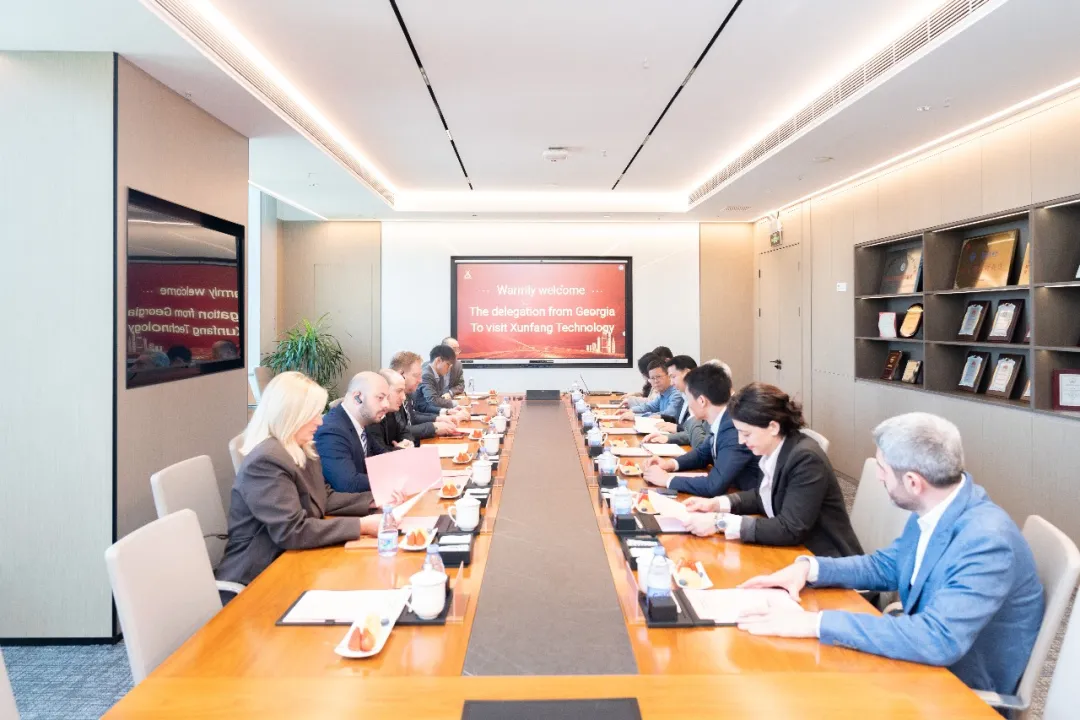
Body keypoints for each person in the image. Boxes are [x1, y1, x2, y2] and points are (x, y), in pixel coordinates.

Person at [735, 412, 1044, 697]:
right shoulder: (941, 504)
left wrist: (814, 623)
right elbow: (890, 564)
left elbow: (937, 639)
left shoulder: (986, 541)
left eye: (882, 469)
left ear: (913, 482)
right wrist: (809, 568)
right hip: (919, 661)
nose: (879, 477)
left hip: (955, 689)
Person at [216, 372, 384, 590]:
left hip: (294, 558)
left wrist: (373, 501)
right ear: (292, 415)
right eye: (314, 414)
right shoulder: (266, 460)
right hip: (260, 574)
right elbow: (292, 531)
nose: (320, 421)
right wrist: (362, 525)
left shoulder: (302, 446)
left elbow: (324, 497)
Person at [681, 382, 861, 559]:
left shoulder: (806, 459)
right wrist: (716, 504)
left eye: (746, 434)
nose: (741, 441)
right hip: (794, 551)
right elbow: (763, 496)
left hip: (825, 559)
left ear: (773, 427)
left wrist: (720, 522)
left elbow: (790, 528)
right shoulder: (774, 449)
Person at [643, 363, 759, 496]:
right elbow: (702, 454)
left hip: (748, 499)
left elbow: (713, 485)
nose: (688, 404)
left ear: (702, 401)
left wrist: (667, 479)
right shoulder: (723, 419)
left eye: (688, 398)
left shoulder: (733, 429)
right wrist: (669, 464)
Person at [313, 371, 391, 493]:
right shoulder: (332, 431)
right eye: (380, 398)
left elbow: (382, 455)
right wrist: (390, 479)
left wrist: (410, 461)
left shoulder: (362, 422)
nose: (387, 405)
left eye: (387, 398)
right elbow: (348, 483)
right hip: (345, 503)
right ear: (357, 397)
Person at [391, 350, 467, 439]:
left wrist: (438, 418)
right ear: (401, 374)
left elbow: (412, 416)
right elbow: (400, 432)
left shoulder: (407, 392)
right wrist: (434, 427)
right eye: (416, 375)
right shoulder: (390, 397)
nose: (420, 381)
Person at [643, 355, 710, 449]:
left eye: (673, 377)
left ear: (687, 373)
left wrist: (674, 431)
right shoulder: (685, 395)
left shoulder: (703, 399)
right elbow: (690, 430)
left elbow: (701, 440)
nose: (671, 382)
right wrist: (668, 436)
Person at [367, 369, 416, 453]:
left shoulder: (391, 411)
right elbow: (379, 452)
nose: (404, 397)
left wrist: (407, 442)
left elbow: (404, 432)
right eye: (399, 391)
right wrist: (399, 448)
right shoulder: (371, 416)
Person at [618, 358, 684, 419]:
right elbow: (650, 406)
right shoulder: (662, 393)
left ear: (668, 376)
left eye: (658, 376)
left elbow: (668, 415)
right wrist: (631, 410)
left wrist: (636, 416)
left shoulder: (676, 393)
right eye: (652, 378)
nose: (656, 381)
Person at [414, 344, 457, 415]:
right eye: (448, 364)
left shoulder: (439, 374)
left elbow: (439, 397)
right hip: (423, 414)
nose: (449, 369)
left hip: (432, 412)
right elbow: (433, 400)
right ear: (438, 360)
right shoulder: (426, 375)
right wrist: (455, 403)